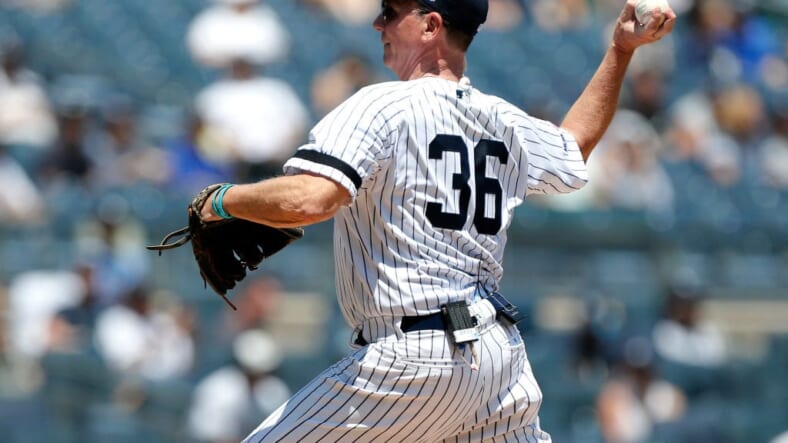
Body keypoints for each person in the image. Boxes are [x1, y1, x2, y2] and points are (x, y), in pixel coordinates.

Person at [194, 0, 676, 440]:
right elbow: (574, 146)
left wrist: (221, 200)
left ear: (431, 26)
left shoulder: (380, 105)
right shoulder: (502, 119)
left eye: (391, 11)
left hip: (413, 357)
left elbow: (313, 199)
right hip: (496, 361)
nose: (378, 23)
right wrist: (620, 50)